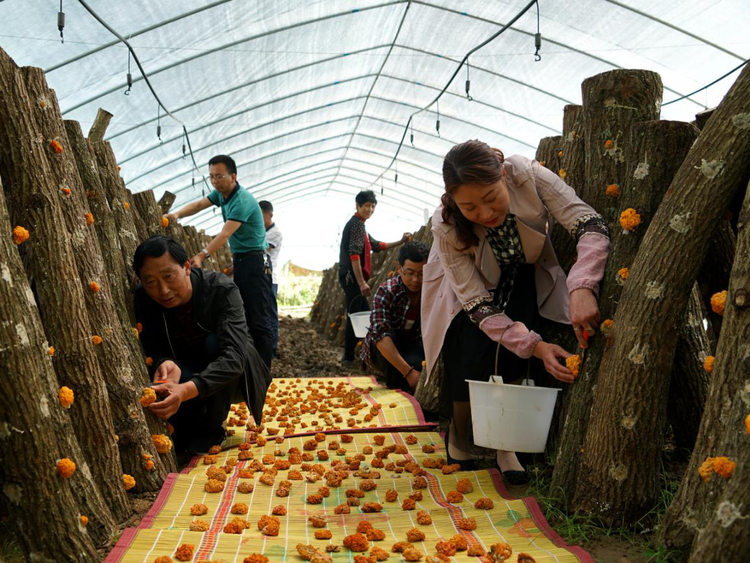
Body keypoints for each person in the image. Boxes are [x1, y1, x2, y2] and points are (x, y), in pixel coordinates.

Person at [421, 140, 610, 483]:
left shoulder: (527, 174)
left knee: (512, 358)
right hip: (468, 289)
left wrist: (583, 285)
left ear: (503, 175)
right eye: (470, 207)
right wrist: (537, 346)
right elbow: (477, 303)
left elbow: (589, 223)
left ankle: (505, 446)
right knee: (470, 354)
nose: (485, 213)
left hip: (522, 270)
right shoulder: (446, 225)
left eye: (491, 197)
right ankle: (460, 436)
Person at [132, 235, 272, 455]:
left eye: (169, 277)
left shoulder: (221, 290)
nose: (163, 290)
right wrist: (164, 362)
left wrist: (185, 390)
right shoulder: (142, 300)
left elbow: (234, 358)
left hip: (234, 376)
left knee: (214, 343)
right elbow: (150, 346)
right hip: (186, 372)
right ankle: (189, 427)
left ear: (187, 266)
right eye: (150, 282)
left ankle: (212, 428)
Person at [163, 155, 275, 368]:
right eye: (212, 176)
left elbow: (225, 234)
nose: (214, 181)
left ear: (233, 176)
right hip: (242, 259)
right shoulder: (222, 195)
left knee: (259, 319)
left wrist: (201, 255)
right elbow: (198, 204)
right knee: (246, 315)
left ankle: (263, 371)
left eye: (219, 176)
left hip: (255, 261)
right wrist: (177, 214)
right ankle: (249, 367)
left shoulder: (241, 200)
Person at [338, 189, 411, 366]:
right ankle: (349, 357)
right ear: (357, 206)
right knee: (357, 314)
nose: (370, 210)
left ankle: (356, 355)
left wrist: (400, 241)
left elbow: (376, 245)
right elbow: (354, 255)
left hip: (351, 278)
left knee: (360, 314)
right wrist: (361, 282)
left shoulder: (360, 225)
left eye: (373, 206)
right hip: (352, 278)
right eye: (367, 206)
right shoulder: (356, 225)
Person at [361, 240, 429, 393]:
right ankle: (396, 384)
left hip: (411, 344)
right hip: (385, 346)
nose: (416, 280)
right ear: (400, 269)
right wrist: (408, 372)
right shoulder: (387, 291)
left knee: (421, 371)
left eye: (422, 274)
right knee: (400, 383)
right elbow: (380, 336)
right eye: (410, 273)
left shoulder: (432, 291)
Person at [259, 200, 283, 358]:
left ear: (270, 215)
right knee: (262, 314)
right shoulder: (260, 231)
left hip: (270, 279)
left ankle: (272, 349)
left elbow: (260, 247)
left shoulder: (275, 233)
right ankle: (264, 348)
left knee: (270, 314)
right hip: (260, 278)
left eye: (261, 216)